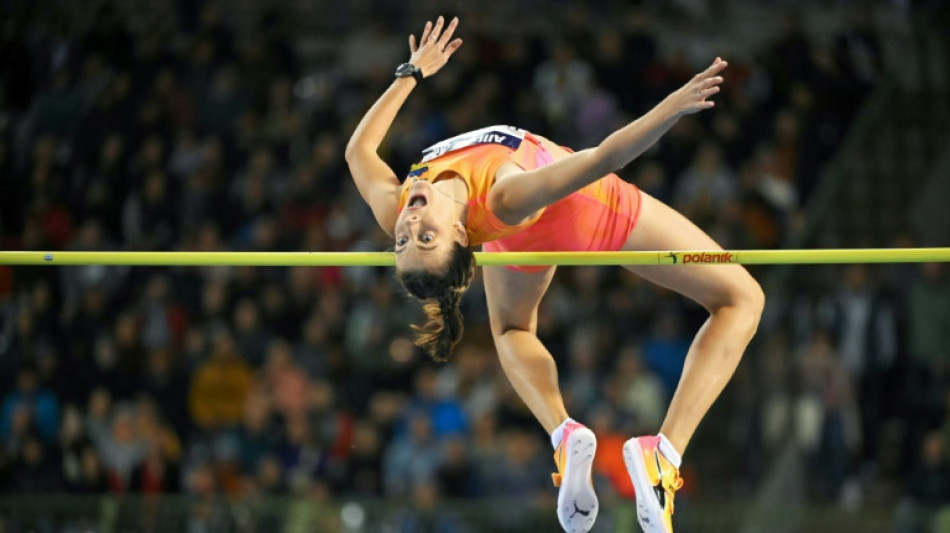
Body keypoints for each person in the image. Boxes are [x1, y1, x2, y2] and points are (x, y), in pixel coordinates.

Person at [345, 16, 764, 533]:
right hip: (583, 209)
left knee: (512, 330)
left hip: (513, 237)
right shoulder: (504, 196)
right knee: (741, 298)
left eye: (403, 243)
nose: (408, 226)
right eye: (425, 238)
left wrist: (411, 72)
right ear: (457, 233)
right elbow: (601, 159)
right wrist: (671, 109)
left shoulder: (398, 206)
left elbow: (358, 151)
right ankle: (663, 455)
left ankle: (564, 436)